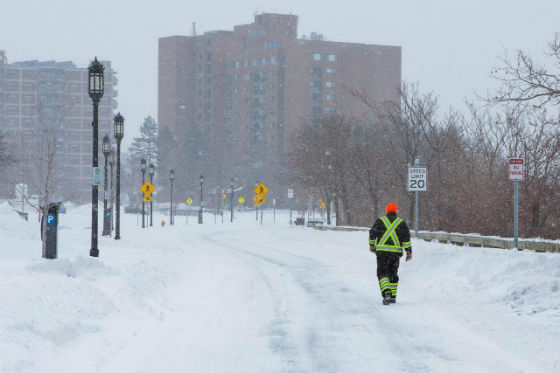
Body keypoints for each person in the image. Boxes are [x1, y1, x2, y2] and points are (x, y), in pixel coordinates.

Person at [369, 202, 412, 305]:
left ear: (386, 211)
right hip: (395, 254)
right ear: (395, 211)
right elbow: (406, 239)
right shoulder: (401, 223)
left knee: (382, 273)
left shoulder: (381, 221)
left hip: (382, 254)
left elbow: (372, 233)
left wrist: (372, 245)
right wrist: (408, 252)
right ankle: (392, 297)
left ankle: (386, 293)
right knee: (393, 274)